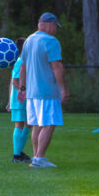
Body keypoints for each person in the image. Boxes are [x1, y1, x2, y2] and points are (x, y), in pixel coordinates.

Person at [18, 12, 70, 168]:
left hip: (32, 92)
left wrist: (22, 88)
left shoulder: (29, 40)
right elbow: (57, 66)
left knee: (37, 125)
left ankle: (36, 157)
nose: (55, 30)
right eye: (55, 26)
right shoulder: (51, 41)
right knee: (49, 123)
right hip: (47, 90)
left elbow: (23, 67)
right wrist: (63, 89)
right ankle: (39, 158)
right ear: (49, 24)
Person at [6, 37, 31, 163]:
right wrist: (23, 92)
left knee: (28, 124)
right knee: (20, 124)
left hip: (21, 99)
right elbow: (15, 81)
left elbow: (11, 82)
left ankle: (19, 152)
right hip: (20, 99)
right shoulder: (20, 61)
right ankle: (16, 155)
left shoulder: (23, 61)